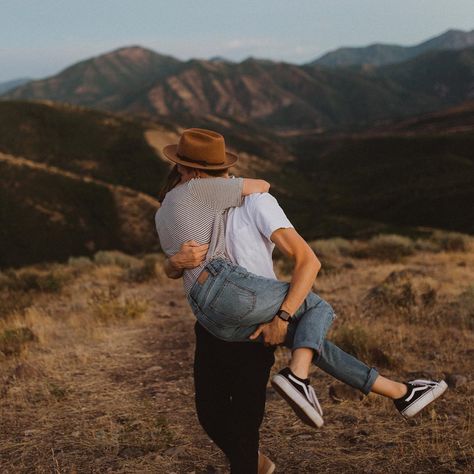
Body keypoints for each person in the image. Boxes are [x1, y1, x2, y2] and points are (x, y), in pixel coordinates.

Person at [155, 128, 448, 434]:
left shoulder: (166, 209)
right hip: (236, 294)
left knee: (309, 340)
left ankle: (401, 393)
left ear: (180, 165)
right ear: (212, 170)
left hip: (205, 311)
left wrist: (173, 263)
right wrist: (282, 316)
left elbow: (178, 267)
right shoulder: (225, 194)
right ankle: (297, 377)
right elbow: (268, 194)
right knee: (318, 308)